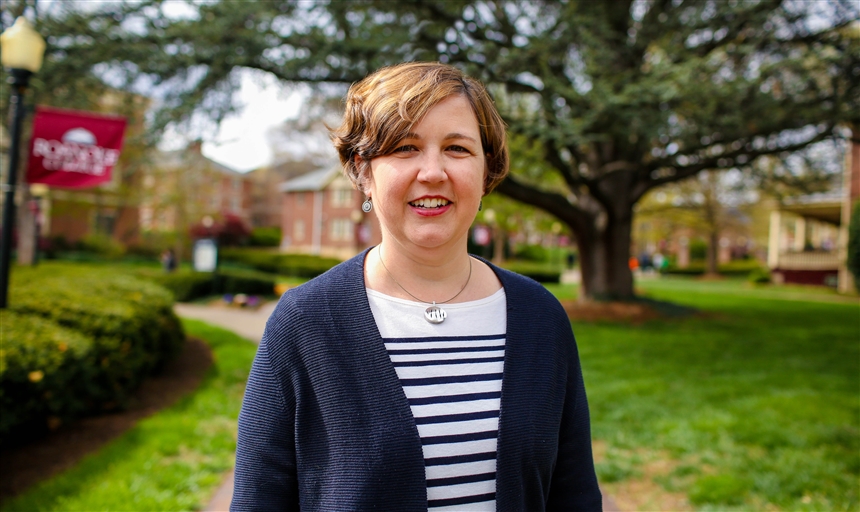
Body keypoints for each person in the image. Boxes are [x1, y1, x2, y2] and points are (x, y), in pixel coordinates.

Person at [231, 62, 601, 511]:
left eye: (457, 149)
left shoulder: (540, 318)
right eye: (405, 147)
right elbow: (258, 500)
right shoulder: (304, 323)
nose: (432, 172)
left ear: (487, 172)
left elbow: (575, 494)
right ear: (362, 170)